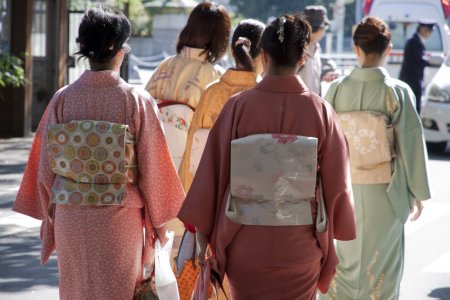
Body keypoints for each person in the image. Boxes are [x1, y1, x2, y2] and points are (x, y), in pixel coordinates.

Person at [177, 13, 356, 299]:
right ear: (302, 59)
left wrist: (203, 237)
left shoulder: (238, 107)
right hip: (301, 242)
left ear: (263, 55)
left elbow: (212, 174)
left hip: (245, 241)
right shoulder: (321, 111)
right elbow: (338, 185)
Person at [12, 5, 185, 299]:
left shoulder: (62, 100)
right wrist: (159, 223)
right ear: (119, 50)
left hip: (72, 217)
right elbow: (153, 170)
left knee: (77, 290)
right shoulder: (135, 100)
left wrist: (51, 219)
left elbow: (45, 169)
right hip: (119, 219)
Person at [319, 16, 431, 300]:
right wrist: (416, 192)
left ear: (356, 49)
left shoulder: (336, 90)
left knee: (342, 260)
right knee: (381, 265)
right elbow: (410, 144)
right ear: (388, 49)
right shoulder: (397, 92)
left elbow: (325, 143)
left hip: (342, 192)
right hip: (385, 192)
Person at [178, 18, 265, 192]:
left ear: (232, 51)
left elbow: (191, 155)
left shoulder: (211, 93)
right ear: (265, 54)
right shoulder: (266, 95)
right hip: (255, 197)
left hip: (213, 193)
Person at [145, 2, 231, 170]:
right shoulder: (214, 76)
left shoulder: (165, 65)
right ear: (220, 38)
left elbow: (144, 108)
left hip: (154, 161)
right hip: (191, 167)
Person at [299, 5, 338, 95]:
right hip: (299, 105)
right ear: (320, 28)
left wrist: (323, 75)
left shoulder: (316, 47)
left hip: (312, 103)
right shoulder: (298, 49)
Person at [399, 20, 435, 114]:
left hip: (411, 81)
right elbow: (419, 60)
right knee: (413, 110)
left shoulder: (415, 40)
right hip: (412, 81)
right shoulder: (414, 42)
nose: (429, 34)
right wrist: (431, 61)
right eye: (429, 31)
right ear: (424, 30)